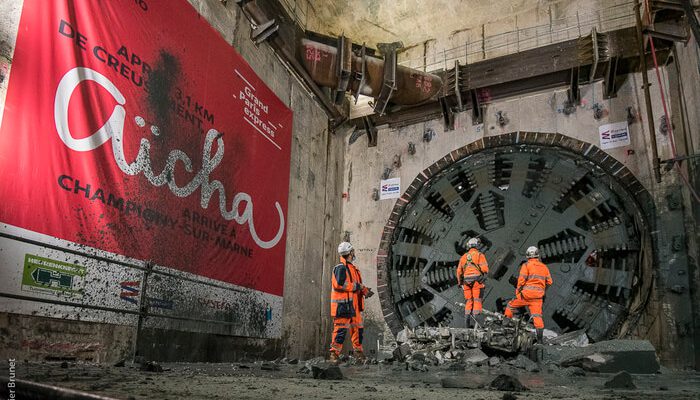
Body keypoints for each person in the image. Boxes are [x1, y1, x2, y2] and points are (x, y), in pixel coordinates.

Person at [329, 241, 373, 362]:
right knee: (340, 331)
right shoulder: (340, 268)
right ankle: (334, 354)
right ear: (349, 253)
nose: (354, 253)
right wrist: (357, 287)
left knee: (358, 330)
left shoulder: (353, 269)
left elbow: (355, 285)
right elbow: (340, 284)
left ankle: (358, 354)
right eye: (352, 251)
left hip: (354, 307)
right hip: (343, 307)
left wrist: (364, 290)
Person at [504, 245, 553, 343]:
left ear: (527, 256)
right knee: (537, 317)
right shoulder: (544, 267)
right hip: (537, 298)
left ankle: (504, 326)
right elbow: (549, 282)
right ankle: (539, 340)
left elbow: (521, 281)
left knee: (510, 306)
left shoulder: (526, 266)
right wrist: (542, 291)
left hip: (526, 295)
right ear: (537, 256)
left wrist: (518, 293)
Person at [456, 237, 489, 327]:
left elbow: (459, 271)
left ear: (469, 246)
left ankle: (467, 322)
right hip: (476, 281)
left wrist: (460, 283)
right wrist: (483, 277)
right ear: (477, 246)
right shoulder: (479, 255)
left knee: (469, 301)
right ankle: (476, 321)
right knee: (477, 300)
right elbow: (485, 269)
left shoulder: (463, 257)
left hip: (466, 282)